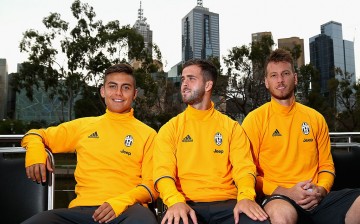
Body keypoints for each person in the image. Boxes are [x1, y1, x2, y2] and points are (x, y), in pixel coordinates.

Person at [21, 63, 158, 224]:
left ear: (134, 94)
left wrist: (121, 201)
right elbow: (35, 134)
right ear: (102, 91)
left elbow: (152, 185)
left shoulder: (148, 134)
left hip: (129, 209)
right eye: (112, 86)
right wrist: (35, 151)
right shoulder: (83, 126)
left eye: (126, 88)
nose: (118, 93)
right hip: (82, 211)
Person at [241, 48, 360, 224]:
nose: (280, 80)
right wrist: (285, 191)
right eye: (273, 75)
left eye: (285, 73)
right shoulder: (254, 120)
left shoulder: (315, 118)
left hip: (316, 198)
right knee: (282, 216)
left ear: (295, 78)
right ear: (266, 82)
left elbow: (326, 166)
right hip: (279, 198)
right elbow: (249, 174)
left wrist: (321, 190)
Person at [153, 59, 269, 224]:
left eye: (191, 78)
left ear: (208, 85)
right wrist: (174, 201)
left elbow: (244, 169)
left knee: (259, 221)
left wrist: (245, 197)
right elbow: (162, 173)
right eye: (183, 79)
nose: (184, 83)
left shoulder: (232, 127)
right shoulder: (170, 129)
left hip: (228, 203)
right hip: (185, 203)